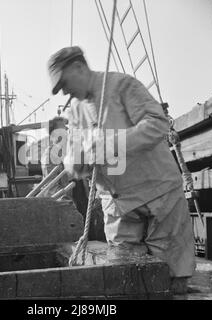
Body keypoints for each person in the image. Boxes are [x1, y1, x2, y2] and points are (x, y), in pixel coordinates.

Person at [47, 46, 195, 294]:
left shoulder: (121, 86)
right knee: (124, 281)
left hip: (159, 196)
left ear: (79, 67)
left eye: (63, 82)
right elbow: (71, 157)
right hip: (118, 207)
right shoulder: (74, 112)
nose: (63, 91)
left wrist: (111, 144)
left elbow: (157, 124)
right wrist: (76, 161)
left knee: (172, 280)